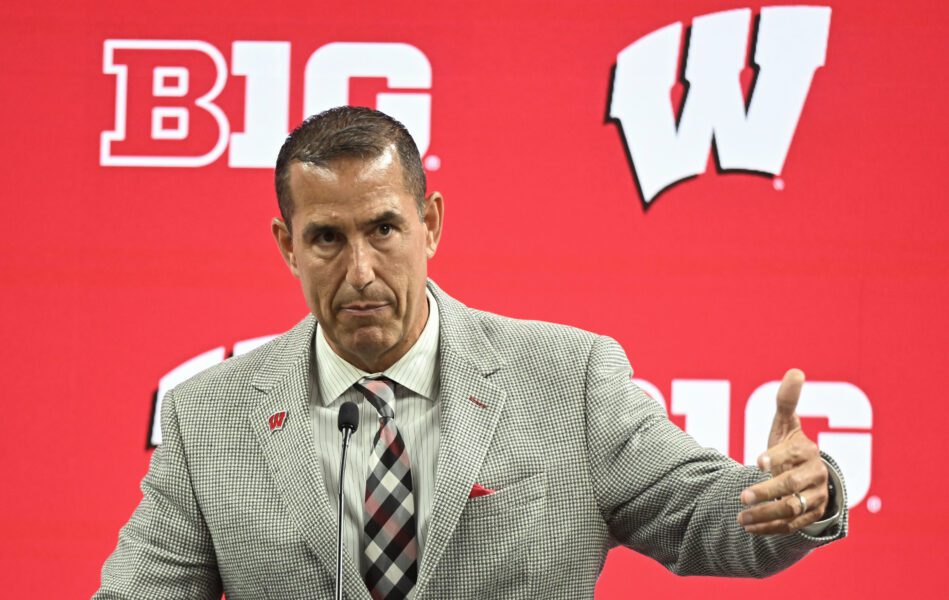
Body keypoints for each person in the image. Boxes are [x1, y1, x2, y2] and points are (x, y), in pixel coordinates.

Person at [96, 107, 847, 599]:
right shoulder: (208, 419)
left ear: (430, 224)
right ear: (286, 245)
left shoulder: (568, 379)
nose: (359, 270)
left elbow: (699, 516)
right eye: (327, 238)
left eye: (383, 229)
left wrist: (789, 500)